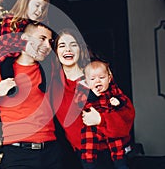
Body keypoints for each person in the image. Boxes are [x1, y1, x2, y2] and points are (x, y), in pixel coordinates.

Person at [0, 22, 63, 169]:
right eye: (42, 38)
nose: (47, 45)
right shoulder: (2, 69)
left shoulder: (50, 69)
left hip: (51, 153)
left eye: (50, 41)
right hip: (18, 155)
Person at [50, 28, 135, 169]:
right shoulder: (54, 85)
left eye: (73, 44)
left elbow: (127, 117)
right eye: (62, 45)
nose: (68, 49)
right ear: (56, 51)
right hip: (80, 158)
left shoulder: (97, 77)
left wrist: (101, 120)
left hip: (111, 155)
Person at [0, 0, 50, 96]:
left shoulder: (35, 25)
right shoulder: (11, 19)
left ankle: (45, 84)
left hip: (26, 54)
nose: (39, 11)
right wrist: (25, 45)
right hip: (8, 52)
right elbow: (7, 40)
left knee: (45, 61)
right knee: (6, 65)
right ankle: (10, 88)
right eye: (37, 6)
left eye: (42, 8)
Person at [74, 60, 130, 169]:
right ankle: (89, 164)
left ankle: (121, 164)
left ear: (109, 78)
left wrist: (118, 102)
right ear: (86, 81)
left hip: (109, 125)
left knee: (117, 144)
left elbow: (124, 100)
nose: (97, 81)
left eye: (102, 78)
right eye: (93, 79)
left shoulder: (113, 90)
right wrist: (92, 95)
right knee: (89, 146)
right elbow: (79, 102)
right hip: (91, 126)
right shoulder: (84, 90)